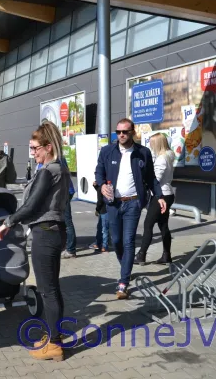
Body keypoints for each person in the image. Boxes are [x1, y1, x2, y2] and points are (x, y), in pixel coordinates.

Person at [0, 121, 70, 361]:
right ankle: (53, 336)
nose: (33, 153)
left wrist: (9, 222)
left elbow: (32, 205)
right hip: (53, 230)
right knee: (52, 289)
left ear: (48, 147)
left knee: (48, 291)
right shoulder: (58, 168)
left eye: (35, 148)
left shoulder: (49, 171)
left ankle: (55, 344)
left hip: (46, 233)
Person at [95, 118, 166, 300]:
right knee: (116, 240)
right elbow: (99, 172)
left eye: (125, 132)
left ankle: (123, 282)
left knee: (128, 241)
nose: (121, 135)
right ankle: (125, 266)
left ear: (132, 132)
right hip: (113, 203)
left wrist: (159, 196)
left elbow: (151, 178)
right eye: (118, 132)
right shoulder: (107, 151)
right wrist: (102, 185)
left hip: (133, 203)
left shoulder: (143, 153)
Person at [135, 133, 176, 265]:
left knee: (148, 224)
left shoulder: (161, 159)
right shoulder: (169, 156)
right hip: (168, 193)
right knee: (163, 225)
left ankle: (141, 255)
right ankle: (166, 255)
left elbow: (155, 179)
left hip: (160, 195)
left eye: (152, 143)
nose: (151, 146)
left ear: (158, 143)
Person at [90, 180, 110, 253]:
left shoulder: (101, 187)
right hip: (107, 209)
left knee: (103, 229)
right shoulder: (106, 185)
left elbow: (100, 201)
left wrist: (97, 210)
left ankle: (104, 246)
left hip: (103, 210)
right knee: (101, 228)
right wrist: (96, 186)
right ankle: (98, 243)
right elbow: (100, 192)